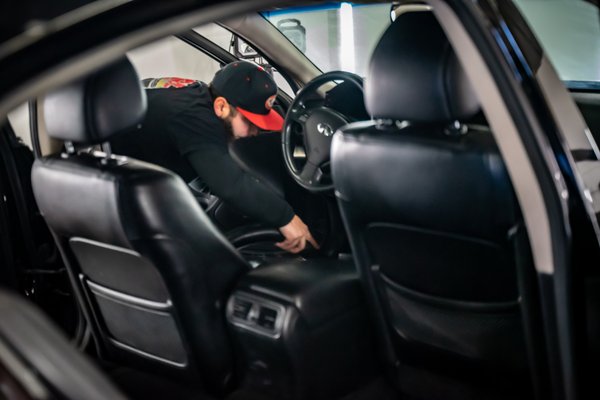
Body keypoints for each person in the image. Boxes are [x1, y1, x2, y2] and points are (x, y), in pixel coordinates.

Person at [111, 60, 318, 254]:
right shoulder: (194, 118)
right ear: (221, 106)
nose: (256, 132)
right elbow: (230, 185)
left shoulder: (202, 99)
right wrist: (287, 218)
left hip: (146, 178)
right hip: (117, 193)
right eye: (250, 123)